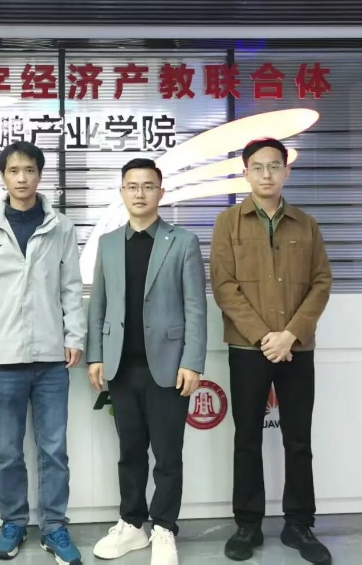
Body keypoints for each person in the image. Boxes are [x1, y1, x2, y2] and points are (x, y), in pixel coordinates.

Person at [210, 138, 333, 564]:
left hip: (297, 349)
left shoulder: (306, 225)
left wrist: (290, 334)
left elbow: (321, 282)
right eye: (258, 167)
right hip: (248, 348)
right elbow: (224, 286)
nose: (267, 174)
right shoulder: (228, 223)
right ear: (245, 172)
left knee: (298, 439)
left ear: (286, 171)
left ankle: (299, 524)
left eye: (274, 166)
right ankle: (247, 524)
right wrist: (265, 336)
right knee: (247, 438)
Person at [0, 141, 86, 565]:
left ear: (39, 175)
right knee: (8, 451)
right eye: (14, 171)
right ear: (3, 176)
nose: (21, 178)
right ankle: (13, 521)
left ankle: (54, 527)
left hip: (52, 358)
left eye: (29, 170)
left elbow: (71, 288)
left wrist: (74, 336)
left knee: (54, 450)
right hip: (3, 360)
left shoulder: (61, 227)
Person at [87, 158, 208, 565]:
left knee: (168, 455)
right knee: (130, 451)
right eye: (132, 186)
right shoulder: (108, 243)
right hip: (121, 366)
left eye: (148, 186)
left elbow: (196, 307)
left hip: (169, 367)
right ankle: (132, 523)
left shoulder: (183, 242)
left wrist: (192, 362)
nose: (140, 193)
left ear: (161, 192)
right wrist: (96, 355)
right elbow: (98, 304)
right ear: (122, 192)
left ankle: (164, 528)